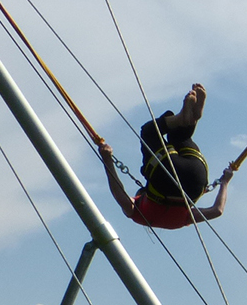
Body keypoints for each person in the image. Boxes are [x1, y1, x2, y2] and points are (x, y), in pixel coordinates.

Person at [98, 84, 235, 230]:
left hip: (197, 175)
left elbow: (217, 211)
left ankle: (192, 118)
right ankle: (182, 118)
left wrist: (225, 181)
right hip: (165, 175)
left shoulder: (181, 221)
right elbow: (119, 195)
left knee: (179, 137)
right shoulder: (139, 215)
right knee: (149, 132)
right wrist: (107, 160)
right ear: (142, 194)